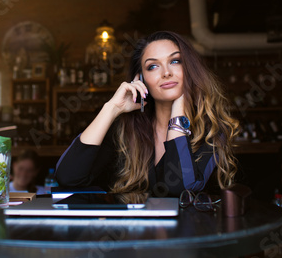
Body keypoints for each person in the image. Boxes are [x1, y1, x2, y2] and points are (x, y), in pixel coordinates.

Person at [55, 31, 240, 197]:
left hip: (189, 234)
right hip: (134, 235)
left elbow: (180, 190)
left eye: (175, 61)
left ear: (190, 69)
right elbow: (68, 177)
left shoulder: (213, 132)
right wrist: (112, 108)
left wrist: (178, 111)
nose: (166, 73)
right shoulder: (124, 131)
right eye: (153, 66)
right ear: (141, 79)